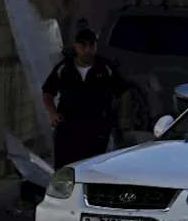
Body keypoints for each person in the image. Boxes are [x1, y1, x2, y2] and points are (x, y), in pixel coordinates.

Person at [41, 29, 129, 168]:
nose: (87, 50)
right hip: (68, 128)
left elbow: (124, 91)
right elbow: (47, 92)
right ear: (76, 47)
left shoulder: (105, 68)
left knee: (93, 168)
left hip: (97, 128)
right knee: (66, 169)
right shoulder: (64, 68)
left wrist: (124, 117)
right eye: (83, 46)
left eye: (91, 45)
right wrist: (52, 113)